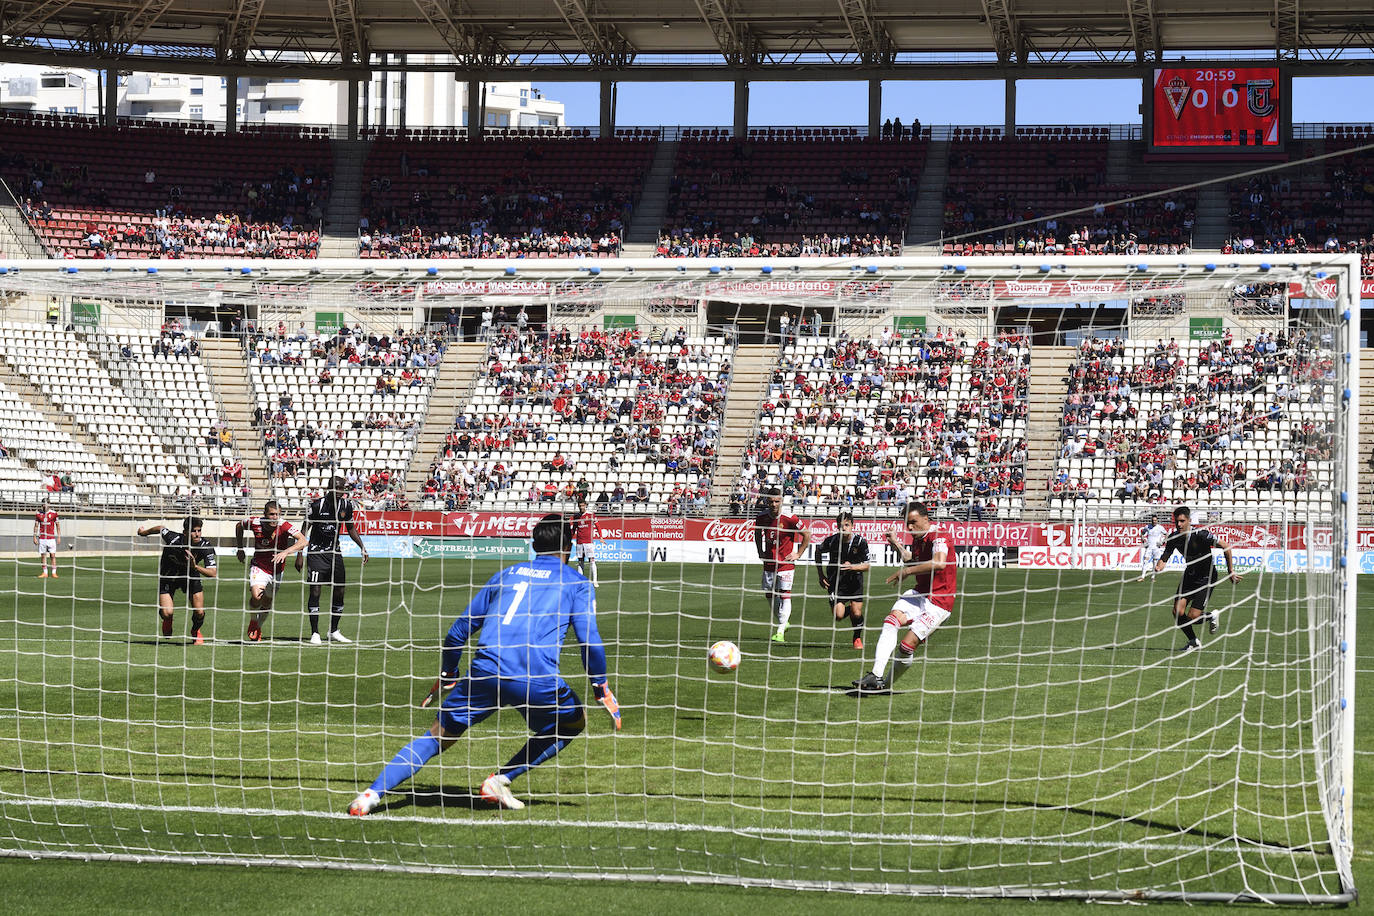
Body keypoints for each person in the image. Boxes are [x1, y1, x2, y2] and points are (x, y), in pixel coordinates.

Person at [347, 514, 622, 816]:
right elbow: (589, 640)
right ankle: (501, 779)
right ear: (568, 548)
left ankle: (370, 796)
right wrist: (601, 687)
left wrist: (449, 674)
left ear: (533, 545)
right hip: (536, 677)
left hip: (485, 671)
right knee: (574, 721)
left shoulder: (506, 573)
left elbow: (457, 632)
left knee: (436, 737)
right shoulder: (577, 583)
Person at [856, 501, 956, 694]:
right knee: (891, 620)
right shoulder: (919, 537)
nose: (909, 527)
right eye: (906, 523)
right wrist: (895, 543)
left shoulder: (939, 536)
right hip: (920, 594)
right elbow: (911, 558)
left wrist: (907, 572)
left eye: (913, 522)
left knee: (905, 646)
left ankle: (885, 685)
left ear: (926, 519)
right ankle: (875, 675)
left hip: (939, 603)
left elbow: (939, 562)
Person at [1154, 506, 1240, 653]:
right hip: (1190, 575)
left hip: (1206, 577)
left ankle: (1212, 615)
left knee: (1192, 616)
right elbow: (1165, 557)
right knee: (1177, 612)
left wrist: (1230, 570)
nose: (1179, 524)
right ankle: (1193, 642)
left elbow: (1226, 546)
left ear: (1189, 520)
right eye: (1177, 521)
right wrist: (1159, 566)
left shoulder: (1201, 534)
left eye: (1182, 521)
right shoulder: (1174, 538)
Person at [296, 475, 368, 645]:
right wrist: (299, 554)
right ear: (329, 488)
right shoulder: (316, 505)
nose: (339, 491)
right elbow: (304, 529)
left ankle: (334, 630)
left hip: (334, 553)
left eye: (342, 488)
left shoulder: (346, 505)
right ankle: (315, 633)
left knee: (340, 591)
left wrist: (362, 547)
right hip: (315, 554)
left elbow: (351, 528)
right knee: (315, 591)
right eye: (336, 488)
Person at [235, 500, 308, 642]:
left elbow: (303, 541)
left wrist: (286, 552)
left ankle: (258, 627)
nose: (275, 517)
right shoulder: (255, 522)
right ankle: (253, 621)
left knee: (267, 601)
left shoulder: (284, 525)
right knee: (257, 596)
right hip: (259, 567)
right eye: (272, 514)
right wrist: (240, 547)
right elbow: (239, 525)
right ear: (265, 514)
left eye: (278, 514)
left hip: (277, 571)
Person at [137, 516, 217, 644]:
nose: (197, 534)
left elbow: (213, 573)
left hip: (190, 575)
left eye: (199, 530)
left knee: (200, 612)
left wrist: (195, 566)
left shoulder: (205, 547)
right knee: (167, 612)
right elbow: (161, 528)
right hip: (169, 576)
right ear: (185, 532)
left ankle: (195, 630)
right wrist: (143, 532)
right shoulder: (173, 539)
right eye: (194, 531)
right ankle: (167, 619)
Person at [754, 487, 811, 643]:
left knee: (785, 594)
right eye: (771, 501)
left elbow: (807, 534)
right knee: (769, 595)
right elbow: (757, 533)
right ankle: (783, 621)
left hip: (786, 563)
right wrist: (760, 551)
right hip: (769, 562)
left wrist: (798, 554)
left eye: (777, 501)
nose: (774, 504)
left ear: (781, 501)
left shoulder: (790, 518)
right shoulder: (761, 517)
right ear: (766, 501)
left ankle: (780, 631)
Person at [814, 510, 871, 650]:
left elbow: (867, 566)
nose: (843, 528)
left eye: (846, 525)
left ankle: (857, 638)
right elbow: (818, 552)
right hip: (836, 582)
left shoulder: (860, 542)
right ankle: (850, 612)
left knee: (856, 612)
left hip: (855, 581)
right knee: (838, 616)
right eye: (840, 525)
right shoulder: (832, 541)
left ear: (852, 526)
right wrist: (821, 575)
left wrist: (852, 567)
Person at [572, 496, 598, 587]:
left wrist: (601, 537)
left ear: (585, 505)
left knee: (592, 560)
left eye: (583, 505)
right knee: (580, 561)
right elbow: (574, 529)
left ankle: (595, 581)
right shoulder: (576, 516)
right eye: (580, 506)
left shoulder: (591, 515)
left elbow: (598, 526)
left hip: (588, 542)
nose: (581, 507)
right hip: (579, 542)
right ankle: (580, 581)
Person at [33, 500, 60, 578]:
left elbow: (58, 526)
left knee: (52, 555)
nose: (44, 506)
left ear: (49, 504)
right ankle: (45, 573)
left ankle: (54, 572)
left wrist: (58, 537)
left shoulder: (54, 513)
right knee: (43, 555)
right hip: (42, 538)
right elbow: (36, 526)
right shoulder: (38, 514)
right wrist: (34, 537)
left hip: (51, 538)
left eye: (46, 504)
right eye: (43, 504)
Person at [1137, 515, 1168, 582]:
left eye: (1155, 520)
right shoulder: (1147, 527)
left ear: (1157, 520)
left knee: (1155, 563)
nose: (1154, 521)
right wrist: (1143, 542)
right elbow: (1142, 533)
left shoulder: (1160, 528)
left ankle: (1153, 577)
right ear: (1151, 520)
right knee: (1145, 561)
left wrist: (1163, 542)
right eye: (1153, 520)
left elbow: (1166, 534)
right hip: (1149, 548)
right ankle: (1142, 577)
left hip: (1156, 548)